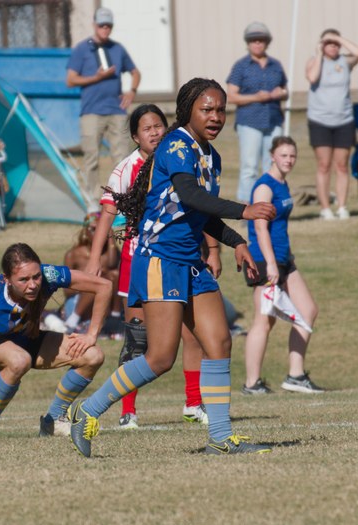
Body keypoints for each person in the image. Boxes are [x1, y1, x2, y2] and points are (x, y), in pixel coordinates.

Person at [66, 78, 277, 458]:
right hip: (160, 259)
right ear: (188, 111)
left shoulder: (210, 155)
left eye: (220, 110)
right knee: (161, 357)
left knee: (219, 342)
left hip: (190, 263)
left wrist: (237, 242)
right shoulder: (176, 144)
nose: (215, 117)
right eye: (206, 109)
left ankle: (220, 437)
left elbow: (200, 212)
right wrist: (245, 211)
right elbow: (190, 195)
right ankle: (88, 410)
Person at [86, 104, 210, 429]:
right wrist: (94, 259)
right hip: (139, 261)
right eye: (147, 128)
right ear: (134, 136)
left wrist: (211, 248)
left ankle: (193, 403)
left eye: (159, 126)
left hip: (181, 258)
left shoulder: (180, 158)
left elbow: (198, 209)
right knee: (138, 339)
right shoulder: (126, 168)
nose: (154, 132)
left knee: (192, 333)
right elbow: (108, 215)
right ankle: (128, 411)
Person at [0, 243, 112, 443]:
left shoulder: (49, 275)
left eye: (36, 276)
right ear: (7, 279)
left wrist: (91, 334)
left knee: (93, 356)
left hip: (24, 336)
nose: (33, 285)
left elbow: (103, 286)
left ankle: (53, 421)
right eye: (23, 280)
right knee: (19, 360)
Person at [243, 136, 324, 395]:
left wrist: (283, 259)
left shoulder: (282, 183)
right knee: (264, 320)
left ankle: (295, 375)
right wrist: (270, 263)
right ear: (272, 156)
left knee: (308, 310)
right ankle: (251, 383)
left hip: (283, 258)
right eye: (284, 155)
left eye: (292, 156)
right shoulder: (264, 187)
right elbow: (259, 226)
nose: (288, 160)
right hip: (264, 260)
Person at [66, 7, 141, 199]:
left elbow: (135, 72)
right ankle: (92, 202)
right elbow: (71, 80)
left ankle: (122, 199)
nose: (105, 29)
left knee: (122, 158)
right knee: (91, 159)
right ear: (94, 25)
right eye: (101, 25)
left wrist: (132, 92)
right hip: (91, 111)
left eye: (108, 26)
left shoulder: (117, 49)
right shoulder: (82, 49)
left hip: (117, 110)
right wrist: (96, 77)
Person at [226, 22, 289, 203]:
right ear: (248, 43)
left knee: (273, 164)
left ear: (267, 42)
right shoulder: (241, 66)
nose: (258, 43)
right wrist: (256, 97)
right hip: (249, 122)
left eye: (261, 40)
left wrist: (281, 93)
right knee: (249, 166)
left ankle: (270, 203)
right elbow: (232, 96)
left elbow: (285, 91)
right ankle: (247, 207)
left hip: (274, 120)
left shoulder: (275, 65)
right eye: (254, 40)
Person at [306, 29, 358, 220]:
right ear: (322, 45)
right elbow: (312, 77)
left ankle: (342, 206)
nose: (333, 46)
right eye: (329, 43)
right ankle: (325, 209)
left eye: (335, 43)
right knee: (324, 165)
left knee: (342, 166)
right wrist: (319, 53)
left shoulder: (345, 62)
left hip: (344, 120)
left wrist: (338, 38)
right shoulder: (314, 61)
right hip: (320, 120)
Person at [59, 211, 120, 335]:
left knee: (114, 275)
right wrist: (84, 283)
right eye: (92, 229)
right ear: (85, 231)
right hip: (77, 302)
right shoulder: (74, 254)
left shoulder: (110, 253)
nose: (97, 234)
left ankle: (115, 317)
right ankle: (73, 320)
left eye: (100, 230)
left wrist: (111, 238)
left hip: (101, 302)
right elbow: (66, 290)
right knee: (95, 281)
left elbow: (112, 265)